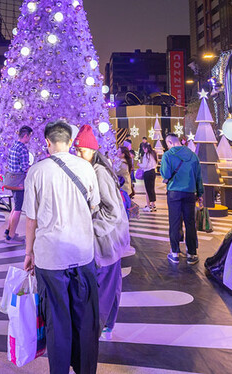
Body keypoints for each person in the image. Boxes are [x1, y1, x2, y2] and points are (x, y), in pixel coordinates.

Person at [23, 120, 101, 374]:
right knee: (85, 319)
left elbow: (31, 220)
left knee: (57, 320)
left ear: (47, 142)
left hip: (50, 257)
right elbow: (93, 207)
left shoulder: (37, 171)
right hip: (82, 253)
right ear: (70, 142)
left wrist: (28, 252)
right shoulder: (86, 168)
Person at [73, 125, 130, 341]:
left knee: (105, 284)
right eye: (77, 150)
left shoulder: (99, 172)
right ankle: (107, 327)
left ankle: (98, 328)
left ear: (93, 150)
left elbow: (113, 211)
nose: (79, 154)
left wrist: (92, 230)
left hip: (107, 238)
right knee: (112, 282)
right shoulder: (93, 169)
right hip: (110, 238)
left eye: (82, 151)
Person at [161, 133, 203, 265]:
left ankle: (174, 253)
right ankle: (191, 254)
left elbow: (166, 174)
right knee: (190, 223)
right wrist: (200, 193)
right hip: (190, 193)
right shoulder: (193, 155)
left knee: (174, 222)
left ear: (169, 143)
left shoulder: (167, 155)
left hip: (174, 193)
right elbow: (198, 177)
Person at [4, 125, 32, 242]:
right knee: (18, 208)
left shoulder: (14, 146)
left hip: (11, 179)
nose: (29, 139)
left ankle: (8, 229)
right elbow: (24, 167)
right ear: (25, 135)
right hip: (19, 181)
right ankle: (11, 234)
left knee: (15, 206)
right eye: (29, 136)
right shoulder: (23, 148)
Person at [137, 141, 158, 212]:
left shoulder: (146, 155)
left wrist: (139, 165)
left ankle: (149, 207)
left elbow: (145, 165)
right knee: (152, 189)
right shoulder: (154, 153)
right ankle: (153, 205)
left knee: (148, 190)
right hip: (153, 172)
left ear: (146, 148)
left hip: (148, 173)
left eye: (143, 148)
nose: (143, 150)